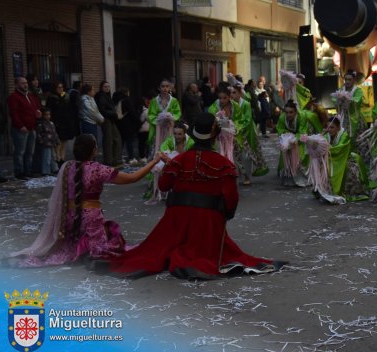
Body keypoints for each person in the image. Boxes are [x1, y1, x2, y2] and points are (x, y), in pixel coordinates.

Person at [98, 113, 285, 280]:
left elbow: (164, 186)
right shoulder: (224, 164)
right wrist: (226, 214)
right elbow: (231, 198)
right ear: (215, 135)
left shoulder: (178, 161)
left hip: (177, 219)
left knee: (154, 250)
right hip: (208, 222)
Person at [4, 134, 168, 268]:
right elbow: (133, 178)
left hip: (69, 219)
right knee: (114, 245)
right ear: (94, 150)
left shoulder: (67, 167)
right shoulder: (98, 169)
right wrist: (154, 161)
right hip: (91, 220)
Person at [231, 84, 269, 184]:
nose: (232, 95)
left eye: (234, 92)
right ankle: (241, 174)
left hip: (247, 132)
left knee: (247, 154)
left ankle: (247, 176)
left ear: (240, 93)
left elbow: (247, 119)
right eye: (231, 93)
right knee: (236, 153)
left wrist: (237, 127)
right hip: (234, 132)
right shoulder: (230, 104)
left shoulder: (246, 104)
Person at [324, 116, 369, 201]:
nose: (329, 129)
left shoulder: (344, 135)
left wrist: (325, 147)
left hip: (347, 159)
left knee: (348, 169)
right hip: (334, 160)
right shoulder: (327, 136)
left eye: (332, 127)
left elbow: (338, 150)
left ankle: (347, 191)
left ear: (338, 127)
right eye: (328, 127)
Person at [7, 76, 42, 180]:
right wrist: (20, 125)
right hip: (20, 129)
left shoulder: (31, 96)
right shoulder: (14, 97)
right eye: (22, 83)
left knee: (30, 152)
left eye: (26, 83)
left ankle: (28, 171)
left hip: (32, 127)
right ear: (16, 85)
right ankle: (19, 172)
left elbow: (37, 107)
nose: (25, 85)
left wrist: (38, 113)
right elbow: (14, 113)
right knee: (20, 152)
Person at [276, 100, 310, 186]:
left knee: (300, 155)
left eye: (291, 112)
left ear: (296, 111)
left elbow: (303, 131)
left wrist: (294, 139)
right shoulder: (282, 118)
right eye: (286, 112)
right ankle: (288, 175)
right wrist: (286, 137)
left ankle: (302, 176)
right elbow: (280, 129)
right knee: (285, 152)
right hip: (287, 138)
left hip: (300, 138)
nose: (288, 115)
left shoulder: (301, 116)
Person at [95, 81, 123, 167]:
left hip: (110, 119)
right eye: (105, 86)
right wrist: (114, 114)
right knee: (108, 140)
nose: (107, 88)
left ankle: (114, 159)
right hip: (106, 119)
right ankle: (109, 160)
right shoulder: (101, 96)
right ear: (101, 87)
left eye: (108, 86)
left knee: (116, 138)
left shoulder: (107, 96)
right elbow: (102, 110)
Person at [36, 108, 60, 176]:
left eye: (49, 115)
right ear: (43, 115)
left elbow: (54, 133)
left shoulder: (51, 123)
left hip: (52, 142)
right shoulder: (41, 124)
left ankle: (55, 168)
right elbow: (39, 133)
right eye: (46, 115)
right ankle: (45, 171)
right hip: (45, 143)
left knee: (53, 156)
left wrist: (57, 140)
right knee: (46, 157)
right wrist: (41, 140)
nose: (48, 116)